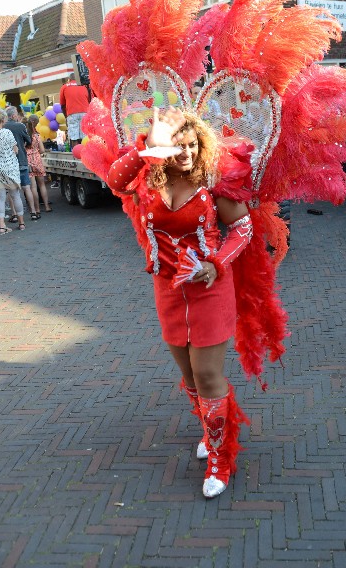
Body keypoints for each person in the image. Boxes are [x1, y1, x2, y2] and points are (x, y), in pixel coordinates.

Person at [107, 106, 252, 498]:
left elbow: (243, 227)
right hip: (168, 294)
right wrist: (147, 147)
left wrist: (216, 262)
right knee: (189, 378)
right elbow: (114, 181)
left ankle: (223, 459)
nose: (186, 153)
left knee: (207, 376)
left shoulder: (212, 184)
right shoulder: (147, 181)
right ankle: (211, 430)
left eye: (192, 146)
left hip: (209, 292)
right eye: (178, 146)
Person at [0, 106, 26, 234]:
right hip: (9, 167)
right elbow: (15, 149)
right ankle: (21, 223)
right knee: (15, 195)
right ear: (3, 120)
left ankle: (2, 226)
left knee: (0, 198)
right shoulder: (7, 132)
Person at [5, 105, 38, 220]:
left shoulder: (3, 127)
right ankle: (33, 212)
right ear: (14, 115)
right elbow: (29, 141)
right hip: (21, 159)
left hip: (8, 162)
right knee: (26, 187)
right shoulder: (20, 126)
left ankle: (14, 214)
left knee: (12, 190)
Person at [25, 115, 52, 215]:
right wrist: (36, 151)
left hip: (28, 161)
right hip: (37, 159)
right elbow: (42, 150)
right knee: (42, 185)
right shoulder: (37, 135)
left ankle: (37, 209)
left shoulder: (26, 135)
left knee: (33, 187)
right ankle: (47, 206)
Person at [59, 73, 90, 147]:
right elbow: (88, 100)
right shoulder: (83, 86)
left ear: (69, 79)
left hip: (72, 113)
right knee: (85, 136)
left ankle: (76, 155)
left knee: (74, 137)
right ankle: (85, 154)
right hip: (85, 113)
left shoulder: (64, 87)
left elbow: (62, 105)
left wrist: (66, 116)